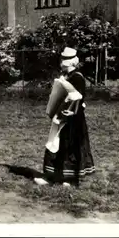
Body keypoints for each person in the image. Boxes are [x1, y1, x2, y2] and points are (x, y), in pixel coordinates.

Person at [34, 47, 95, 187]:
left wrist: (70, 111)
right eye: (62, 58)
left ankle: (69, 179)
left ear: (71, 62)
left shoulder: (77, 77)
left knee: (69, 147)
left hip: (72, 119)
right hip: (61, 117)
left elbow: (79, 98)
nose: (61, 61)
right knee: (55, 145)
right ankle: (52, 176)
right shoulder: (67, 76)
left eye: (64, 59)